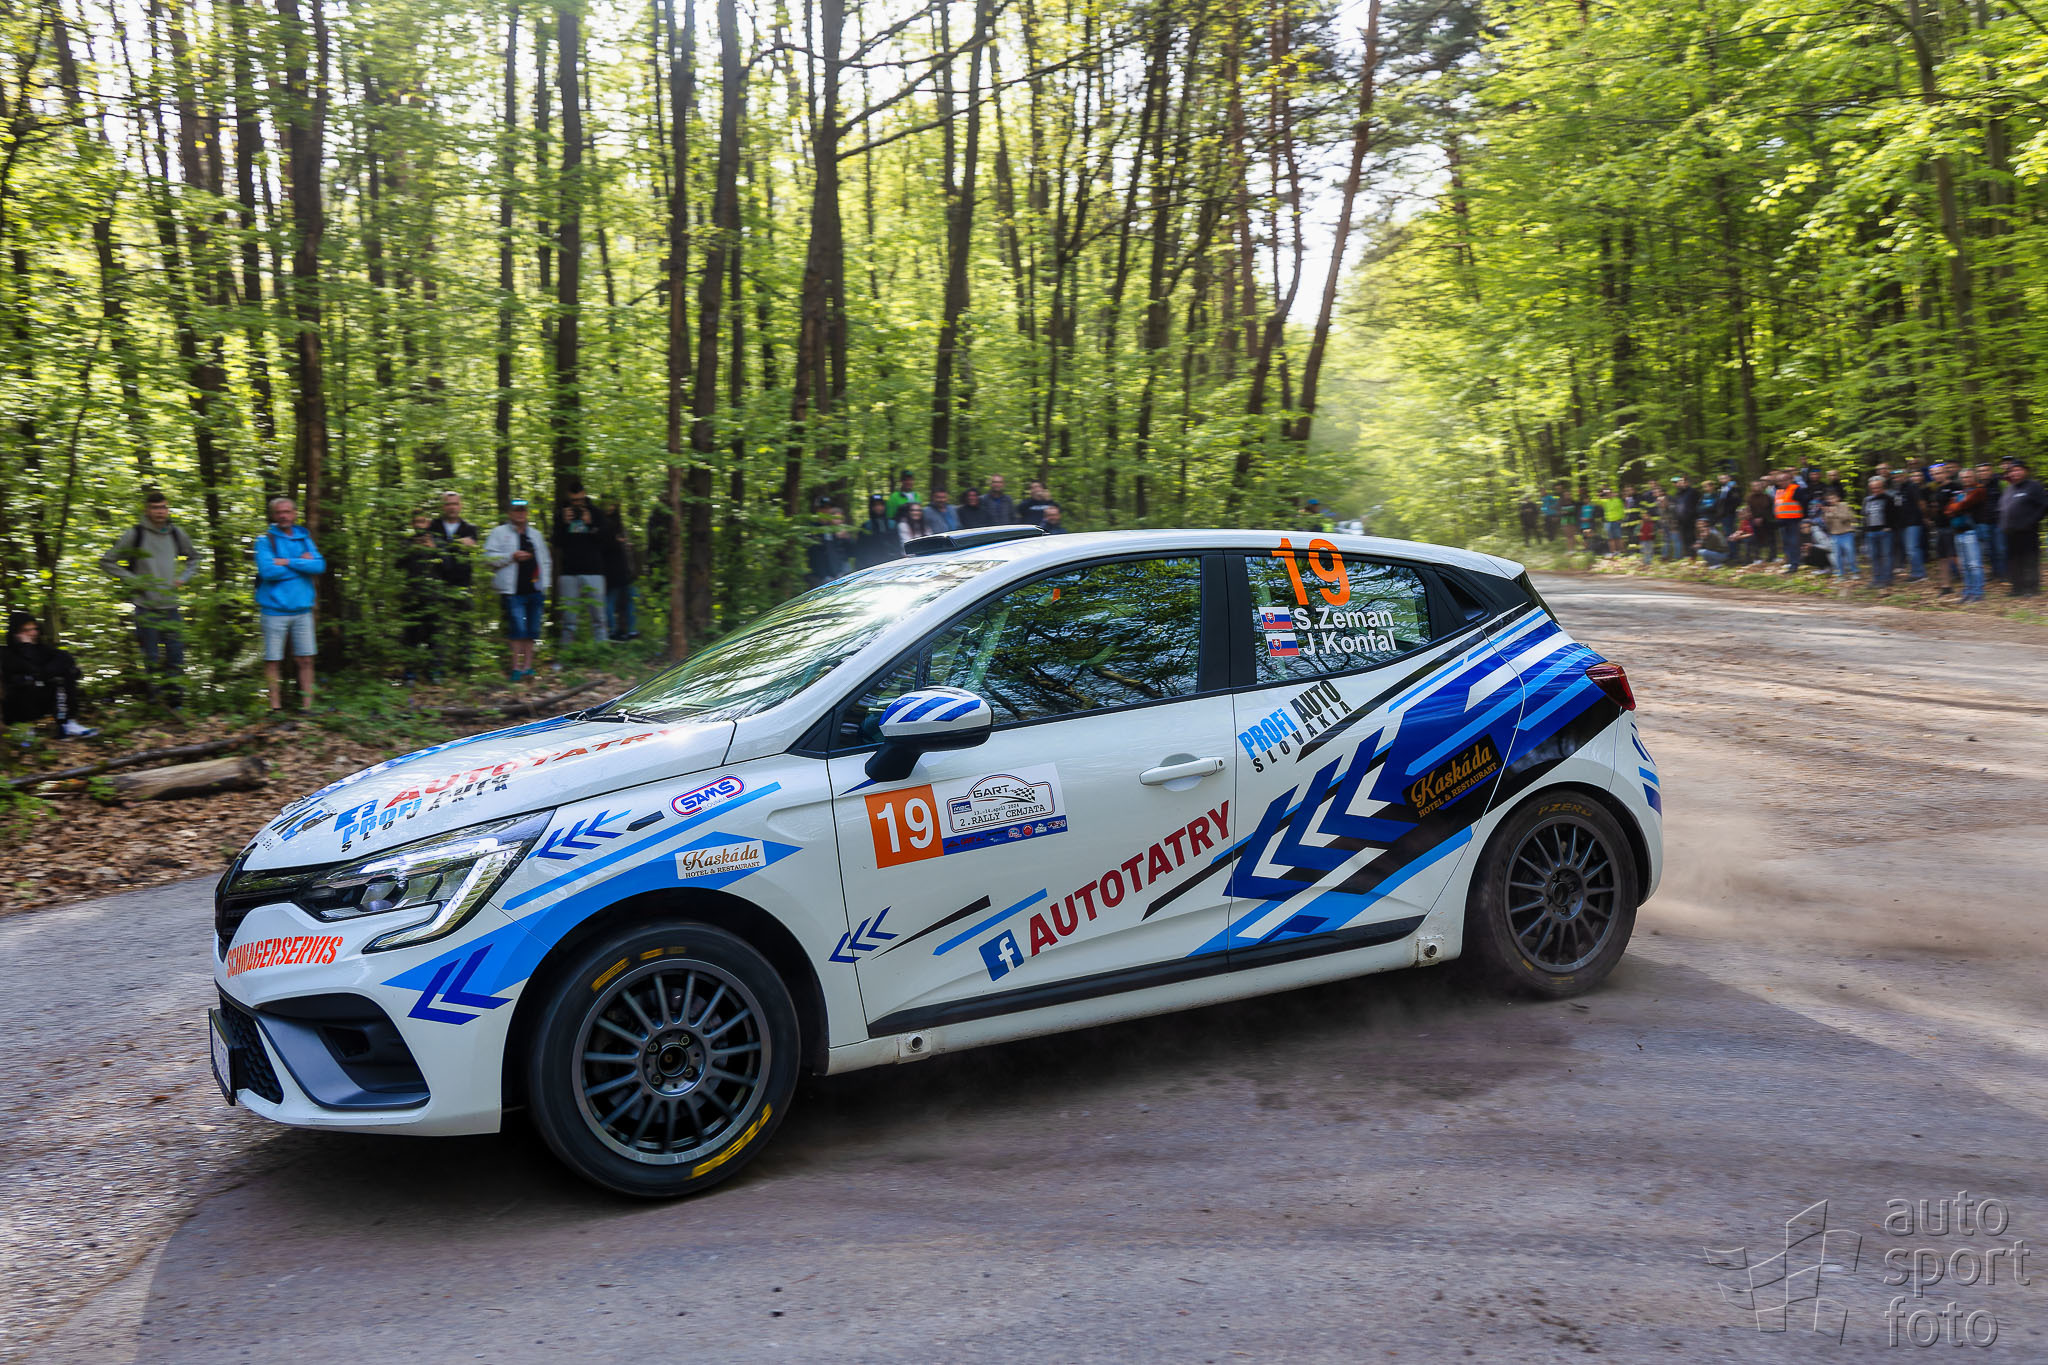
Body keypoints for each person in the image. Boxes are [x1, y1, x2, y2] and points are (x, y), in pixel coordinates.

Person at [99, 490, 201, 693]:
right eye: (155, 508)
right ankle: (155, 700)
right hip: (145, 606)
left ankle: (176, 700)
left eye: (163, 507)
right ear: (147, 510)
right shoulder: (136, 534)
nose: (160, 511)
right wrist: (134, 581)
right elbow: (107, 561)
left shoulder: (175, 533)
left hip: (171, 605)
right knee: (151, 657)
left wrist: (184, 578)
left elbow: (195, 558)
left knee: (176, 656)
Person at [255, 496, 326, 713]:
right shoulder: (265, 540)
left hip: (303, 610)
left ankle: (307, 707)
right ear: (273, 515)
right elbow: (268, 572)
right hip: (273, 610)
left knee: (306, 659)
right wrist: (302, 564)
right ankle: (275, 708)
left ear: (294, 514)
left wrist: (286, 561)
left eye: (287, 511)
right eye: (279, 512)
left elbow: (319, 566)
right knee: (273, 660)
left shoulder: (304, 538)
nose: (283, 516)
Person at [1, 612, 95, 739]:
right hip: (18, 703)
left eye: (34, 629)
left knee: (68, 673)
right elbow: (27, 668)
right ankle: (23, 728)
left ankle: (66, 724)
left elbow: (66, 659)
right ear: (16, 633)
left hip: (44, 699)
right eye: (26, 630)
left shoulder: (42, 649)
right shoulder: (6, 653)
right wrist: (26, 647)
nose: (33, 633)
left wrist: (42, 674)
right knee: (26, 680)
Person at [485, 498, 550, 681]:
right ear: (510, 513)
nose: (520, 513)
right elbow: (488, 558)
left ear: (527, 512)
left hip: (535, 589)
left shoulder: (535, 534)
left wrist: (545, 584)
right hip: (513, 591)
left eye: (523, 510)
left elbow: (546, 560)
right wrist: (511, 556)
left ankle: (528, 667)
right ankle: (515, 668)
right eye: (517, 510)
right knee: (518, 629)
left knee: (532, 630)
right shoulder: (499, 532)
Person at [553, 481, 610, 648]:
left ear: (584, 494)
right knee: (568, 620)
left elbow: (606, 541)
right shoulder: (561, 514)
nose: (576, 504)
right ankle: (567, 653)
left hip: (594, 571)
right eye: (573, 500)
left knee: (599, 618)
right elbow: (556, 542)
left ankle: (602, 652)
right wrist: (563, 524)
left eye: (579, 500)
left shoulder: (596, 513)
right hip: (569, 572)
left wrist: (591, 524)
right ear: (568, 498)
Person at [430, 490, 480, 673]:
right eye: (448, 504)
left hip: (463, 583)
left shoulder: (470, 528)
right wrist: (456, 545)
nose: (452, 507)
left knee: (464, 625)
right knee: (438, 626)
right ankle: (438, 667)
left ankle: (465, 667)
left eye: (455, 503)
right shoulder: (433, 526)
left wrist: (443, 546)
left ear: (461, 506)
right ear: (443, 506)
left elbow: (474, 549)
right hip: (438, 583)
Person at [397, 514, 450, 683]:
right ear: (412, 524)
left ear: (428, 523)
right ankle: (410, 674)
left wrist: (433, 549)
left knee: (435, 635)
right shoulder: (407, 543)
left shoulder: (438, 542)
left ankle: (435, 672)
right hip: (412, 596)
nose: (419, 525)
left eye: (422, 521)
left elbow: (448, 566)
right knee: (410, 635)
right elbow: (397, 564)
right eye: (416, 522)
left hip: (435, 596)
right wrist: (412, 549)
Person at [1998, 459, 2047, 597]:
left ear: (2025, 471)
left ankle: (2031, 588)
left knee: (2029, 559)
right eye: (2012, 471)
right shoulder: (2009, 489)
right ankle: (2017, 588)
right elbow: (2002, 508)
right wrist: (2002, 524)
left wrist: (2032, 521)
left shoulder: (2034, 486)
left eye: (2018, 470)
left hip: (2028, 531)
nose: (2015, 473)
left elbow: (2044, 506)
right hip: (2010, 532)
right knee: (2014, 560)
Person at [1946, 466, 1989, 603]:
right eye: (1964, 477)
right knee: (1964, 565)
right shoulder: (1960, 492)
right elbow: (1948, 510)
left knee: (1974, 564)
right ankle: (1967, 592)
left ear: (1974, 477)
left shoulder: (1979, 490)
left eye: (1969, 477)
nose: (1966, 479)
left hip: (1972, 531)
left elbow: (1964, 504)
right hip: (1958, 532)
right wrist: (1956, 507)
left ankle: (1977, 592)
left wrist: (1956, 507)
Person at [600, 496, 640, 640]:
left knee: (629, 599)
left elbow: (627, 552)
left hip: (624, 571)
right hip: (613, 571)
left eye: (612, 504)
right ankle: (613, 631)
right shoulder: (603, 527)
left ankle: (628, 630)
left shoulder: (620, 528)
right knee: (611, 600)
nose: (610, 507)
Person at [808, 500, 855, 586]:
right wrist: (824, 576)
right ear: (817, 510)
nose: (826, 511)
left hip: (840, 573)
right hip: (823, 576)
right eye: (823, 508)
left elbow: (851, 552)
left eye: (828, 508)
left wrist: (846, 538)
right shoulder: (813, 528)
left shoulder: (836, 529)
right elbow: (815, 554)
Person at [1821, 492, 1858, 584]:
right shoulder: (1828, 509)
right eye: (1829, 499)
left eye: (1833, 498)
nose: (1831, 500)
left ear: (1838, 498)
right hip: (1834, 535)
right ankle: (1841, 574)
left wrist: (1834, 513)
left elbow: (1848, 518)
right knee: (1837, 556)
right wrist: (1826, 514)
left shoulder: (1844, 505)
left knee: (1850, 553)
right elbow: (1827, 524)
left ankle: (1855, 572)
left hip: (1846, 534)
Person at [854, 495, 899, 568]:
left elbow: (897, 544)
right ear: (871, 508)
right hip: (872, 564)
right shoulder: (866, 526)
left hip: (892, 563)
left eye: (881, 505)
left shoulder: (892, 524)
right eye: (875, 505)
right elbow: (861, 549)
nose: (878, 507)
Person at [1773, 471, 1805, 572]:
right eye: (1779, 480)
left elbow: (1804, 503)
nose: (1781, 482)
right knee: (1786, 542)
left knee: (1793, 542)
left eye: (1783, 480)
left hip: (1793, 520)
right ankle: (1791, 562)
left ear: (1790, 480)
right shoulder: (1779, 491)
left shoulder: (1796, 489)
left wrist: (1803, 518)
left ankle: (1794, 564)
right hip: (1781, 521)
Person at [1746, 479, 1776, 562]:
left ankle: (1772, 557)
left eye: (1758, 485)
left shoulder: (1767, 497)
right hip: (1754, 521)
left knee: (1771, 539)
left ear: (1762, 486)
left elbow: (1769, 509)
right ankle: (1756, 557)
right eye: (1754, 486)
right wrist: (1754, 518)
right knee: (1755, 539)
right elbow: (1749, 509)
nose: (1756, 487)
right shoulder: (1749, 498)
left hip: (1767, 520)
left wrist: (1762, 518)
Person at [1673, 476, 1701, 557]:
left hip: (1691, 519)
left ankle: (1693, 555)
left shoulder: (1693, 492)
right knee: (1684, 538)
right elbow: (1677, 506)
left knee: (1691, 537)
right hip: (1681, 520)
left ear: (1687, 483)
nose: (1681, 483)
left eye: (1683, 482)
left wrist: (1696, 516)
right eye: (1680, 482)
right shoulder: (1678, 493)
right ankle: (1688, 555)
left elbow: (1698, 504)